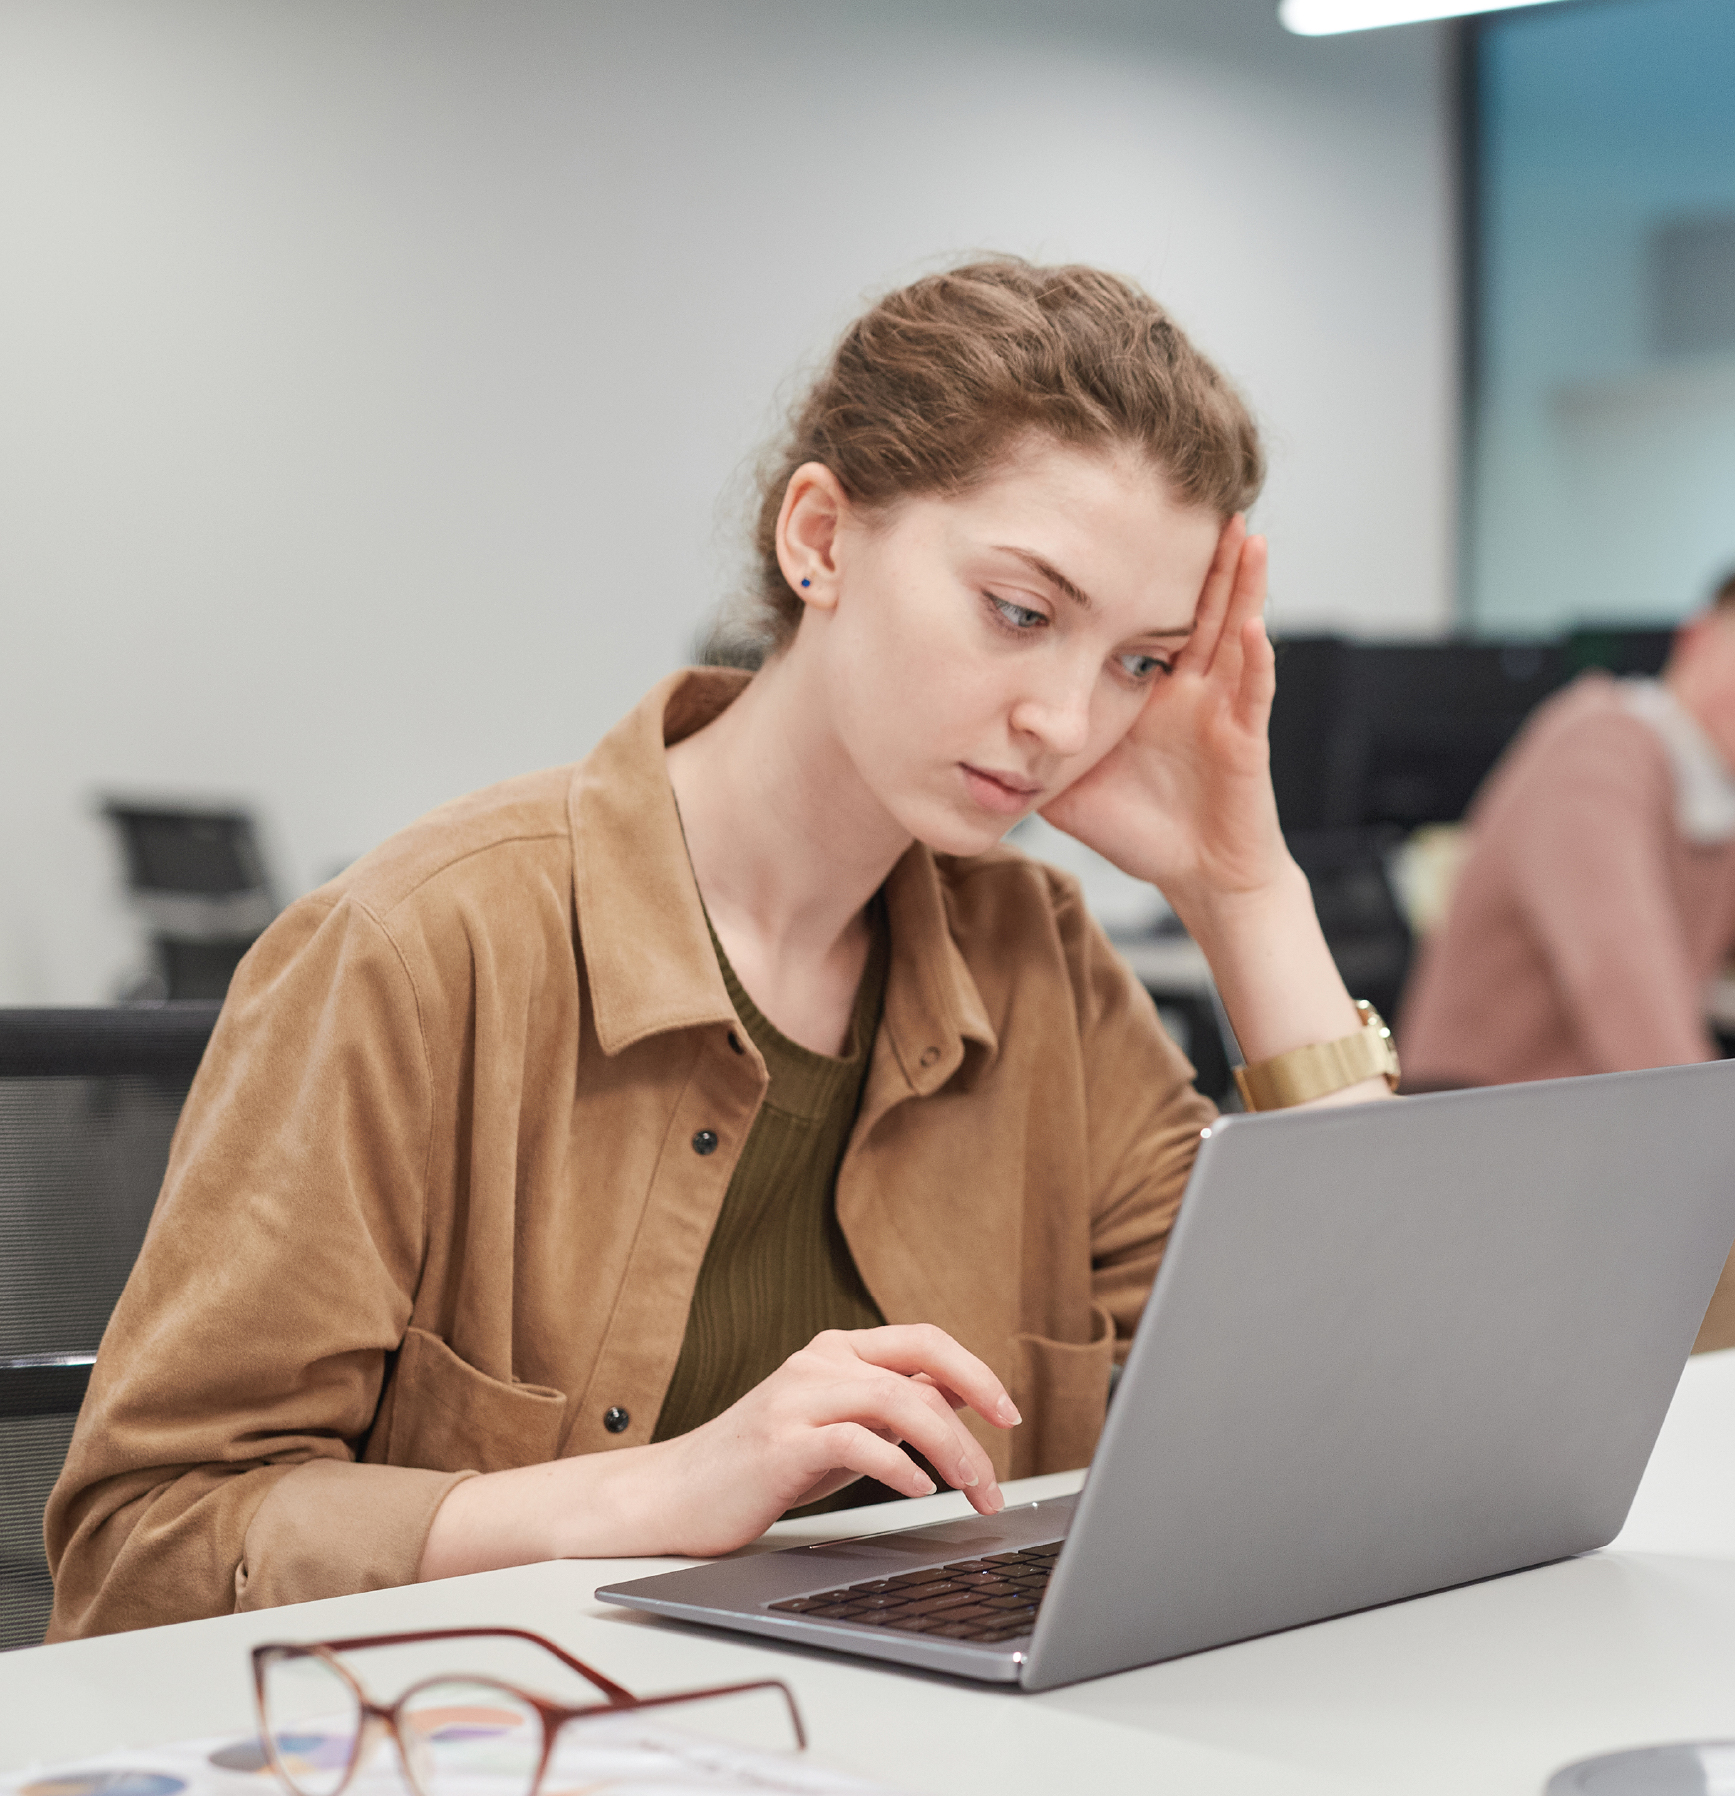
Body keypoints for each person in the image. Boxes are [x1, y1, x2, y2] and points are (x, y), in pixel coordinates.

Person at [46, 259, 1398, 1639]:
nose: (1065, 718)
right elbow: (144, 1540)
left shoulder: (1039, 967)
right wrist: (643, 1497)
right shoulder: (421, 950)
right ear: (819, 536)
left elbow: (1380, 1388)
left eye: (1139, 663)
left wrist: (1243, 889)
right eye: (1022, 613)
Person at [1397, 563, 1735, 1351]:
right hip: (1507, 1147)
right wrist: (1723, 1171)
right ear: (1699, 639)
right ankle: (1672, 1432)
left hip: (1620, 1138)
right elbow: (1623, 973)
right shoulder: (1599, 748)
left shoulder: (1723, 801)